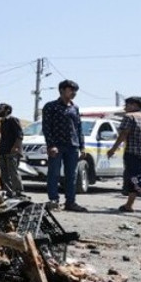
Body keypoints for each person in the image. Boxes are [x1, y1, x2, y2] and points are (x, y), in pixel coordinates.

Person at [41, 79, 87, 212]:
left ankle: (70, 202)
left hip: (72, 146)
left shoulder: (75, 108)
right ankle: (53, 200)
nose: (74, 93)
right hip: (56, 146)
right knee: (54, 173)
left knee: (71, 175)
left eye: (75, 91)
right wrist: (51, 145)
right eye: (71, 90)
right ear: (62, 90)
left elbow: (78, 128)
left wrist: (82, 146)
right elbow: (46, 127)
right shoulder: (50, 106)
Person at [0, 103, 25, 196]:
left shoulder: (13, 120)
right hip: (4, 150)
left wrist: (15, 148)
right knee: (4, 173)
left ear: (7, 110)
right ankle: (9, 192)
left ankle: (19, 191)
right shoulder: (2, 122)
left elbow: (19, 135)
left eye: (2, 108)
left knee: (13, 172)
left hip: (12, 151)